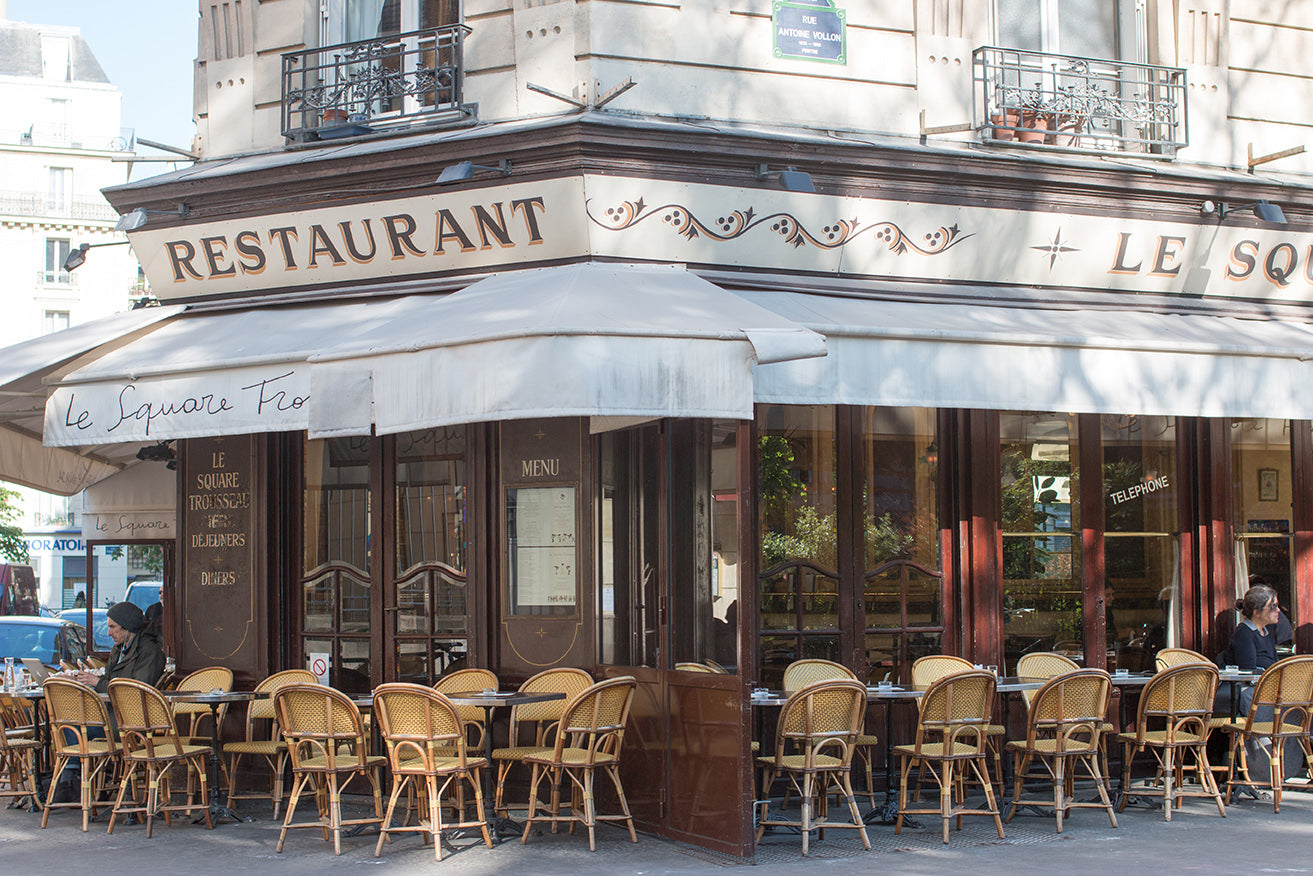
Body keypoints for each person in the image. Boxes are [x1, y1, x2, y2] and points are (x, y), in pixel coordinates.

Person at [53, 601, 167, 803]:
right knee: (67, 724)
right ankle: (74, 781)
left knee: (76, 729)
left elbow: (135, 690)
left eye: (112, 627)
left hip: (133, 723)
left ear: (128, 627)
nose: (108, 633)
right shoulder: (119, 649)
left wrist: (97, 682)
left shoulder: (149, 653)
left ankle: (72, 783)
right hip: (114, 716)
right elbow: (109, 681)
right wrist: (82, 681)